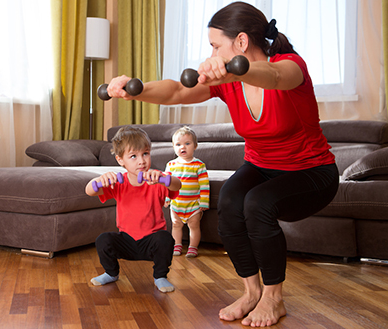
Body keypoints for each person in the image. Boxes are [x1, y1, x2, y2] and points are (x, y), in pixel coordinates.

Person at [102, 2, 339, 326]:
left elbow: (274, 77)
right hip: (261, 167)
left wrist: (233, 69)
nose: (212, 52)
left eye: (216, 45)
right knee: (228, 199)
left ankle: (274, 297)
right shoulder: (228, 82)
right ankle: (251, 291)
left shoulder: (291, 65)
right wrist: (135, 90)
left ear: (241, 42)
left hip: (312, 173)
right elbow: (175, 92)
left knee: (257, 202)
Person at [85, 126, 182, 293]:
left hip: (151, 241)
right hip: (126, 240)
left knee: (165, 239)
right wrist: (99, 181)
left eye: (145, 153)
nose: (141, 161)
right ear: (120, 160)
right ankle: (111, 273)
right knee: (103, 239)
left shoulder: (157, 179)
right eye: (133, 156)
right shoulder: (118, 182)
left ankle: (160, 276)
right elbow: (89, 191)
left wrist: (165, 179)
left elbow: (177, 185)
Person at [165, 126, 209, 258]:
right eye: (178, 144)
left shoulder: (199, 165)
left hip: (193, 204)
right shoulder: (171, 165)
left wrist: (204, 202)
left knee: (194, 225)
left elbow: (204, 185)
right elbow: (167, 184)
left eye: (187, 144)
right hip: (176, 203)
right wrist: (167, 199)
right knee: (176, 225)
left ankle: (193, 247)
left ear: (195, 146)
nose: (182, 147)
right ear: (173, 147)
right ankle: (177, 245)